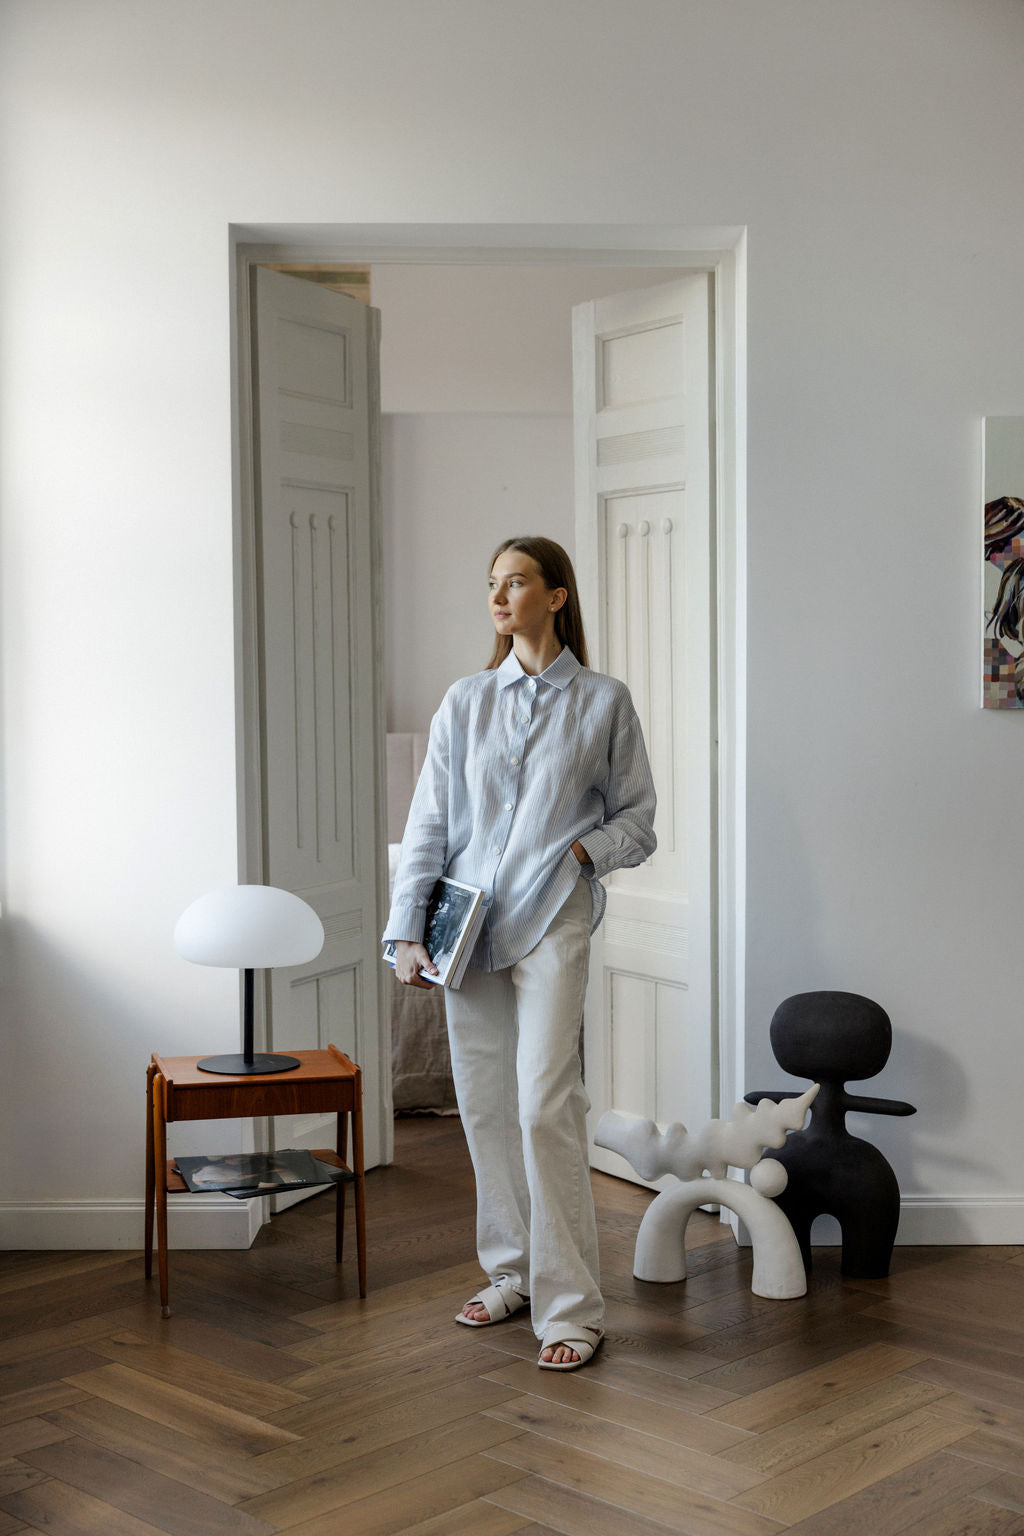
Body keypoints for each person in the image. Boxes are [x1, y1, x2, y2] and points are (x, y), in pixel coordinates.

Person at [382, 535, 656, 1371]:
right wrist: (405, 929)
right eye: (492, 584)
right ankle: (510, 1274)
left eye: (516, 582)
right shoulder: (464, 702)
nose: (499, 597)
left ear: (557, 595)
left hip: (554, 920)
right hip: (465, 928)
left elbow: (639, 822)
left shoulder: (604, 702)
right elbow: (429, 822)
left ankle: (573, 1307)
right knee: (485, 1108)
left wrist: (581, 856)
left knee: (544, 1107)